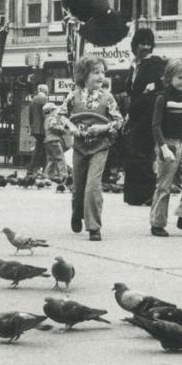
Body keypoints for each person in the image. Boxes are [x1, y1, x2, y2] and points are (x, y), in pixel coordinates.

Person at [66, 55, 123, 241]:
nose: (100, 76)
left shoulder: (108, 98)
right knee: (78, 188)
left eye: (103, 72)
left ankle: (94, 226)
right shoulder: (73, 96)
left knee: (93, 186)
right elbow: (58, 117)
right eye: (95, 72)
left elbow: (119, 121)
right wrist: (72, 129)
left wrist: (104, 128)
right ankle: (77, 213)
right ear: (84, 75)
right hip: (80, 147)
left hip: (100, 147)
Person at [150, 58, 182, 236]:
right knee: (164, 186)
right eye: (180, 77)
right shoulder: (162, 97)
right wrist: (163, 147)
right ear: (169, 77)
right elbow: (156, 126)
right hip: (168, 144)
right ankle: (157, 223)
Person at [122, 27, 167, 207]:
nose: (145, 46)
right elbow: (131, 91)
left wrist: (149, 91)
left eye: (148, 43)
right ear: (135, 45)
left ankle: (148, 194)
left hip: (148, 116)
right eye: (141, 43)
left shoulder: (156, 63)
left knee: (142, 155)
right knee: (133, 154)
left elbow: (160, 87)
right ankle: (134, 195)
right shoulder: (133, 65)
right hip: (134, 115)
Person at [26, 84, 50, 179]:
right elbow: (46, 115)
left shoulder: (33, 100)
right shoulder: (44, 99)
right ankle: (33, 170)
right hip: (42, 128)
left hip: (36, 129)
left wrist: (32, 127)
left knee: (41, 148)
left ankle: (39, 169)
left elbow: (30, 116)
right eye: (47, 90)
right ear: (45, 90)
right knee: (40, 149)